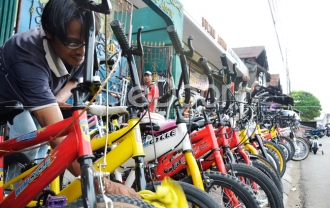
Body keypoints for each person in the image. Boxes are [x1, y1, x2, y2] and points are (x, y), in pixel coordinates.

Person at [0, 0, 140, 198]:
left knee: (43, 152)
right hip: (9, 97)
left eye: (87, 43)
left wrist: (56, 98)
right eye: (73, 42)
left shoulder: (84, 47)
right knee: (31, 140)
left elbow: (75, 81)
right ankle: (10, 192)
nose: (82, 51)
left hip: (39, 93)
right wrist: (107, 186)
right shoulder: (25, 51)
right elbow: (59, 139)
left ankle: (33, 186)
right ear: (49, 31)